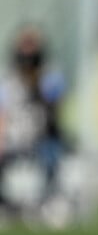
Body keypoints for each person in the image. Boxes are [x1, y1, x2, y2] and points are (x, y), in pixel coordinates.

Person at [0, 25, 67, 218]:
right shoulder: (7, 79)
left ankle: (50, 201)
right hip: (14, 139)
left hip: (42, 137)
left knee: (51, 153)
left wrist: (36, 83)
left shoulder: (50, 76)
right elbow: (3, 114)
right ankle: (6, 205)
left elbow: (54, 108)